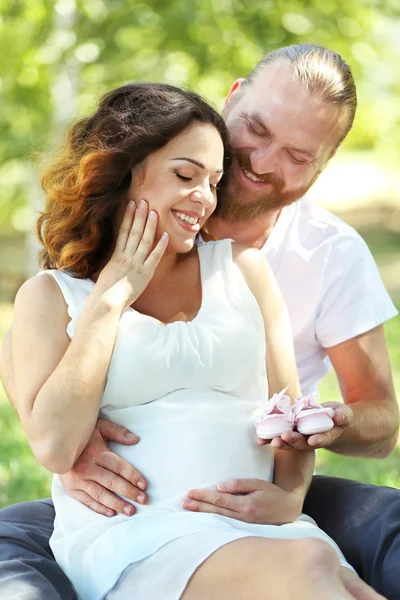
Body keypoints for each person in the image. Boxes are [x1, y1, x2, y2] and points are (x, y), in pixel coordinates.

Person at [0, 43, 398, 598]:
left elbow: (360, 417)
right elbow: (31, 359)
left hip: (261, 517)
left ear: (324, 164)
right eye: (255, 132)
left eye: (297, 156)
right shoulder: (73, 277)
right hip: (137, 527)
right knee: (308, 568)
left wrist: (294, 487)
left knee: (332, 564)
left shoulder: (297, 259)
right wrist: (69, 447)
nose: (259, 163)